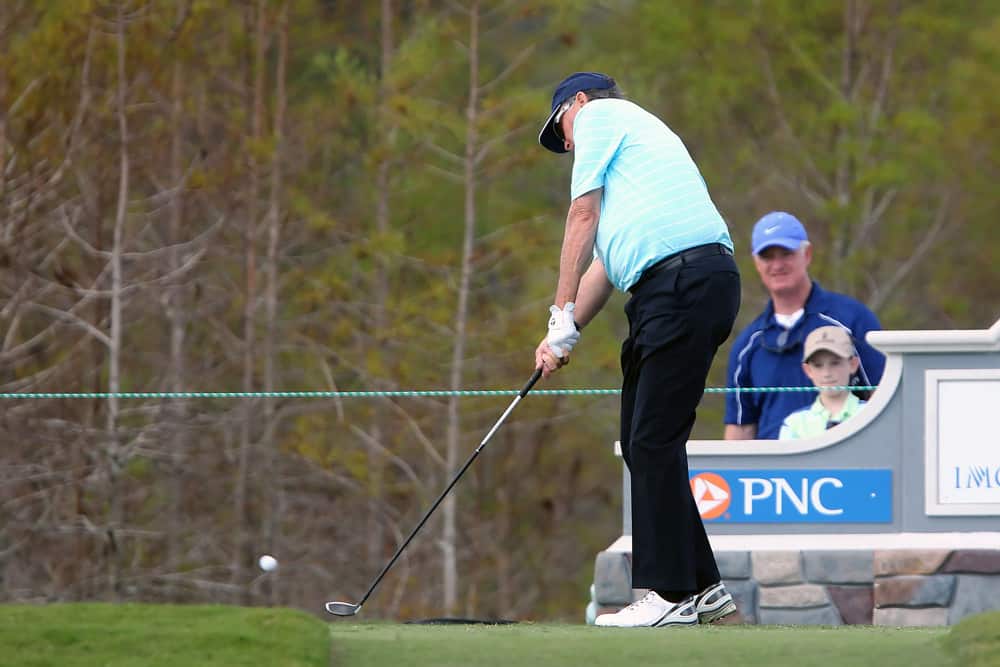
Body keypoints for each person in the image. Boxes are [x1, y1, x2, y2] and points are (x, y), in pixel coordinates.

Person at [534, 72, 741, 628]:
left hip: (683, 283)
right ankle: (703, 588)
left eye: (562, 129)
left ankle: (667, 594)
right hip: (683, 286)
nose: (568, 144)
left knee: (649, 441)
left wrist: (556, 311)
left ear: (577, 103)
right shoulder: (634, 174)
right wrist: (564, 330)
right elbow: (602, 268)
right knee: (650, 441)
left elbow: (580, 215)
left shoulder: (602, 116)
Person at [724, 211, 885, 440]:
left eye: (786, 253)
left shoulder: (853, 320)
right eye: (768, 256)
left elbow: (884, 400)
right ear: (756, 263)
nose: (777, 265)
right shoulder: (746, 346)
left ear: (807, 254)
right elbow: (740, 428)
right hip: (771, 473)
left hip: (844, 470)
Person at [779, 326, 867, 439]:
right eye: (818, 365)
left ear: (853, 364)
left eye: (835, 363)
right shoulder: (794, 424)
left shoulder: (871, 414)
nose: (826, 373)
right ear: (808, 370)